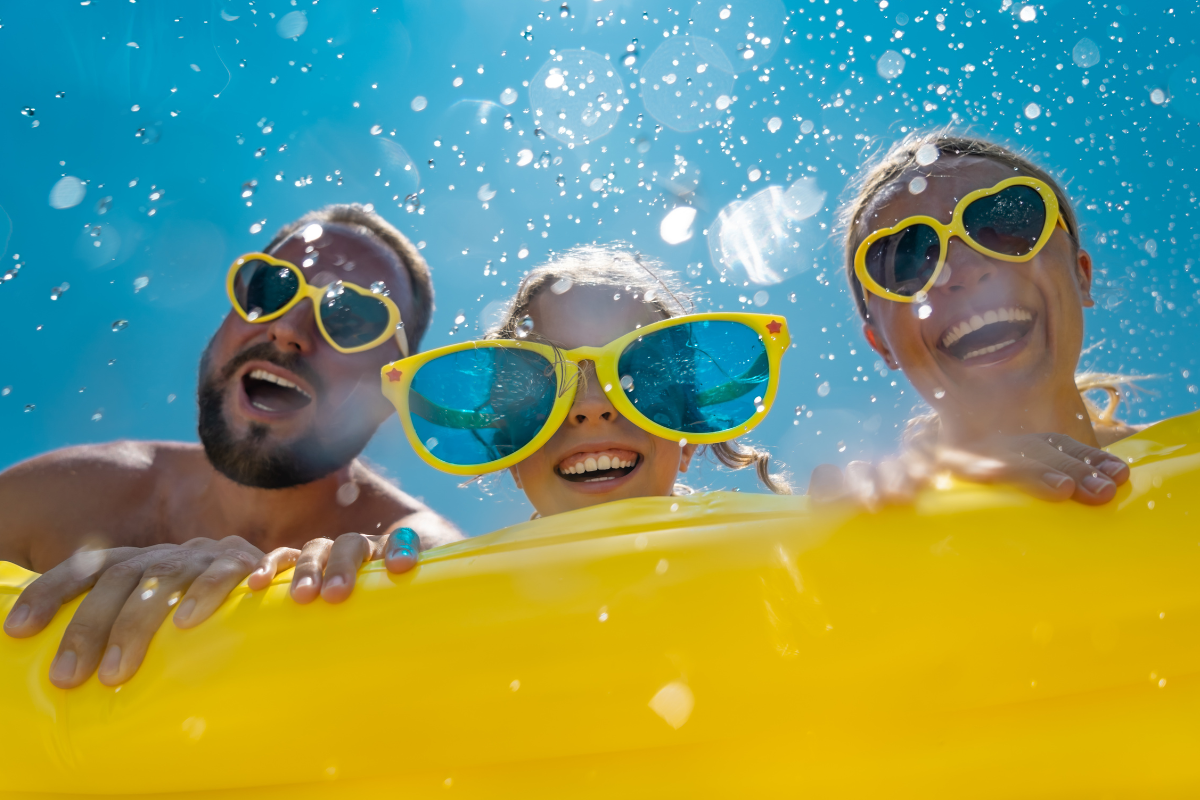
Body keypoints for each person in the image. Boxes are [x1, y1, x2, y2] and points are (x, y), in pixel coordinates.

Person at [1, 203, 461, 688]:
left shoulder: (407, 547)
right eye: (271, 289)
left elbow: (448, 578)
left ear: (391, 390)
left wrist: (395, 571)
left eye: (350, 318)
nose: (288, 329)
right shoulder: (61, 497)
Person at [236, 244, 793, 599]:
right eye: (542, 392)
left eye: (641, 380)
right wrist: (372, 583)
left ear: (688, 438)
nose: (591, 406)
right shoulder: (464, 595)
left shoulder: (774, 559)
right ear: (512, 455)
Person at [822, 131, 1157, 506]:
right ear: (883, 344)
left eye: (1006, 224)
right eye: (907, 259)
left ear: (1080, 276)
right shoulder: (886, 518)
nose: (962, 270)